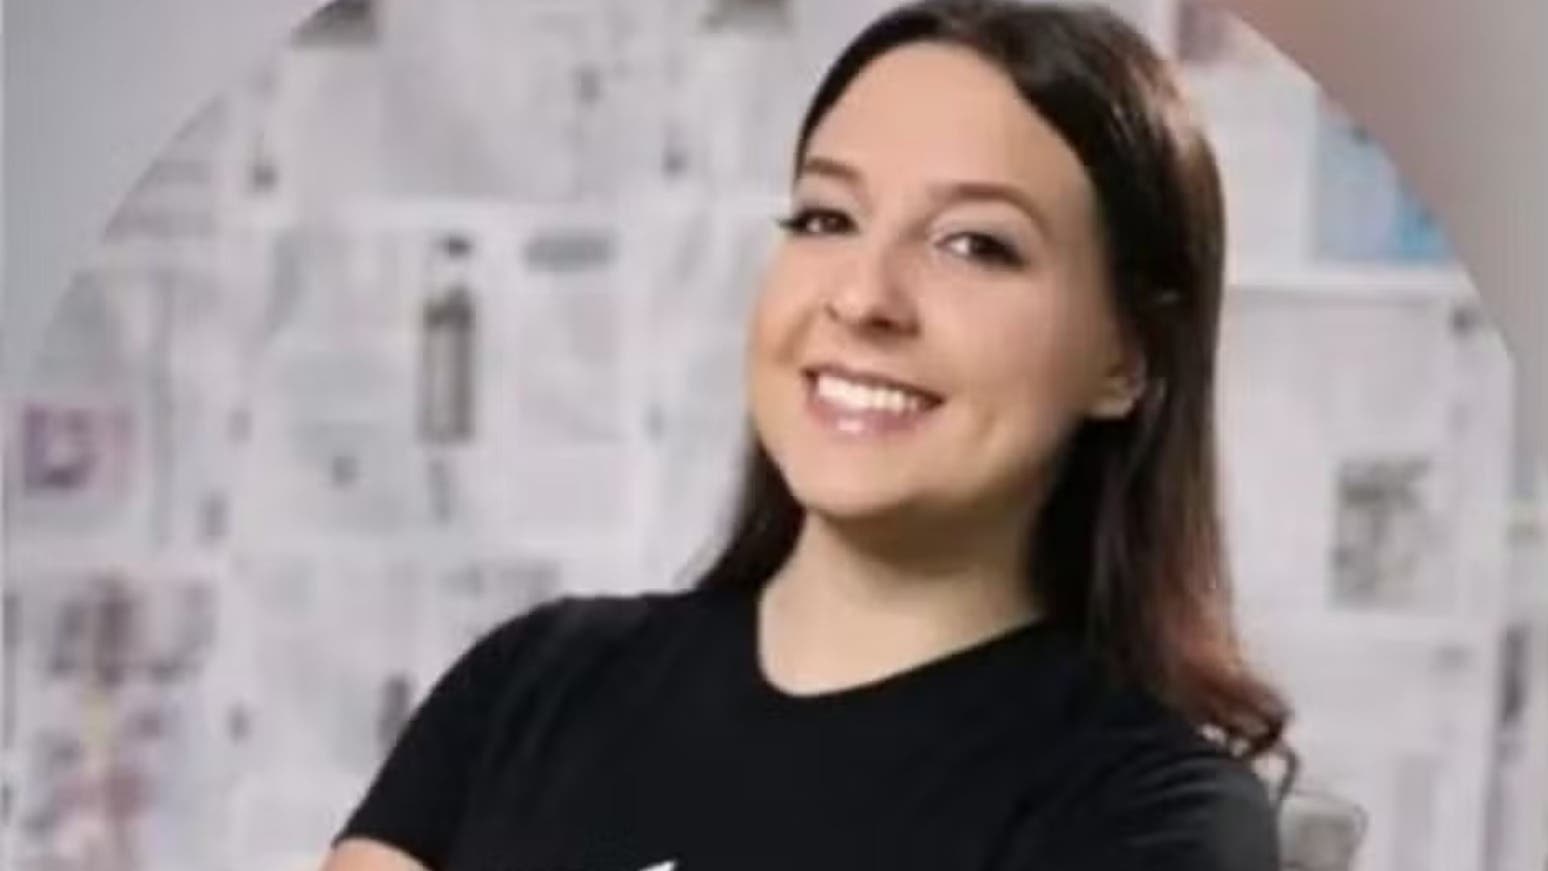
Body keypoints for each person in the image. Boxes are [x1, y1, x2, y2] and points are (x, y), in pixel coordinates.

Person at [321, 1, 1291, 869]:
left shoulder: (1150, 815)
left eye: (975, 244)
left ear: (1126, 358)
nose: (863, 297)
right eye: (827, 218)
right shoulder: (531, 686)